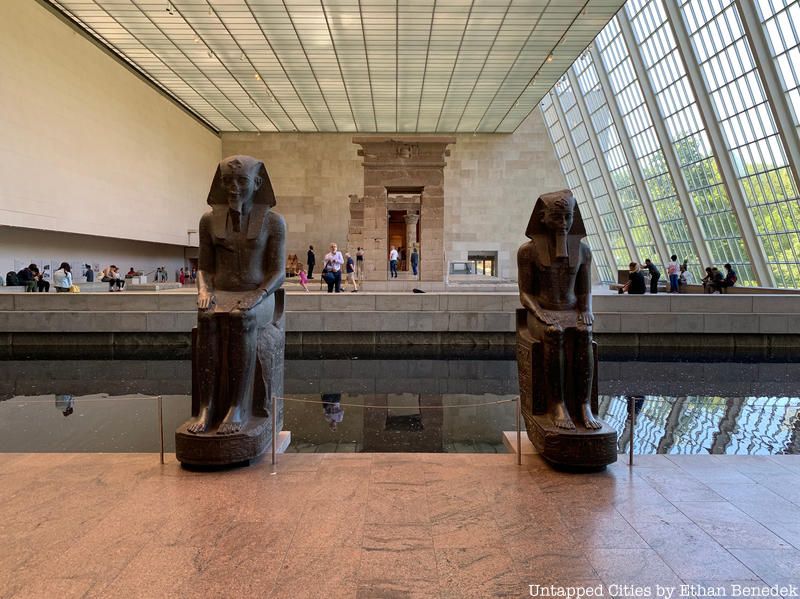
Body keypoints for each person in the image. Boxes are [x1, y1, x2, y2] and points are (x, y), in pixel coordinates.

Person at [188, 155, 286, 435]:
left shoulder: (273, 222)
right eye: (227, 181)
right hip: (223, 291)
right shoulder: (209, 221)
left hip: (261, 296)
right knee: (205, 318)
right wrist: (204, 290)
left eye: (241, 181)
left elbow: (277, 272)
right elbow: (205, 267)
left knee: (240, 318)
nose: (233, 188)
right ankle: (207, 407)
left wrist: (258, 294)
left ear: (256, 183)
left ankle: (238, 407)